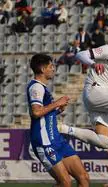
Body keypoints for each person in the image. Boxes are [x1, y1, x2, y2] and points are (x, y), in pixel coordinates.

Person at [27, 54, 89, 187]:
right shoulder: (36, 87)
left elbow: (44, 114)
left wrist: (58, 110)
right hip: (44, 142)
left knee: (83, 177)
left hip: (56, 139)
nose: (54, 69)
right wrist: (56, 103)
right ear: (43, 69)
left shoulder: (42, 88)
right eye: (51, 66)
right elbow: (36, 112)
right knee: (65, 183)